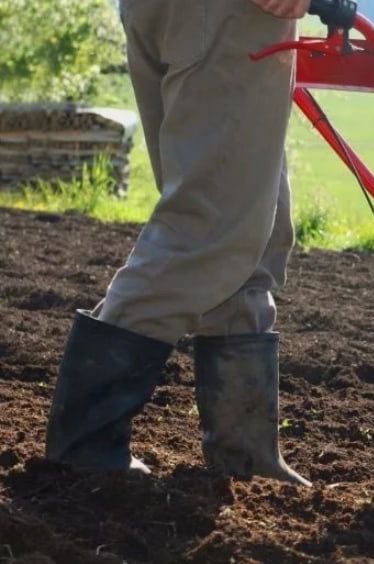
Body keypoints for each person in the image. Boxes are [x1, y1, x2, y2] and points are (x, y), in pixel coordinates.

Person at [44, 0, 315, 485]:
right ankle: (84, 448)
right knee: (208, 229)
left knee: (252, 225)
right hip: (225, 15)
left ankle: (244, 451)